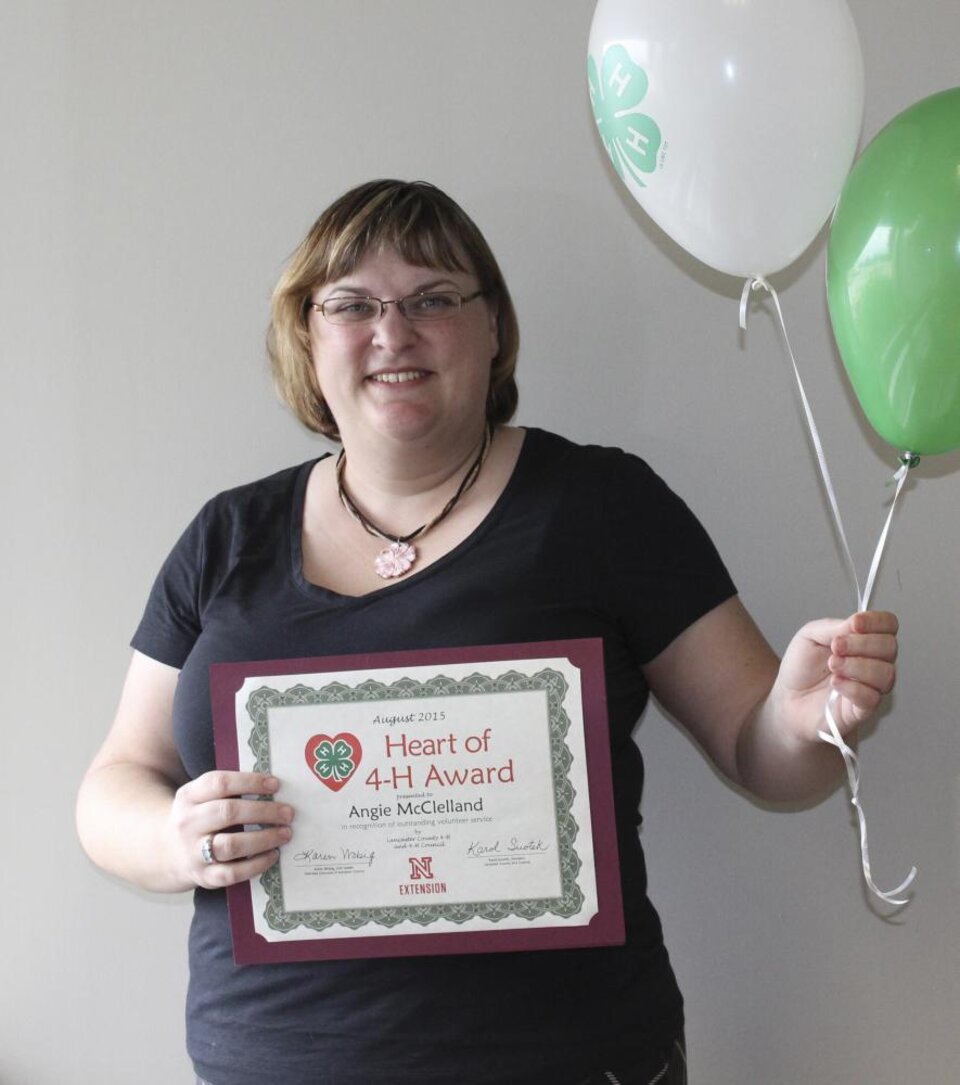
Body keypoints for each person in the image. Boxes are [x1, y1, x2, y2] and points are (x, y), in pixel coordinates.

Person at [76, 179, 898, 1085]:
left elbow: (762, 750)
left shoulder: (605, 506)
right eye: (352, 304)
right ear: (307, 337)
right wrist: (173, 840)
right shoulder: (226, 538)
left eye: (433, 298)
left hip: (573, 1061)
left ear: (494, 327)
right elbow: (115, 782)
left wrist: (804, 716)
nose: (394, 332)